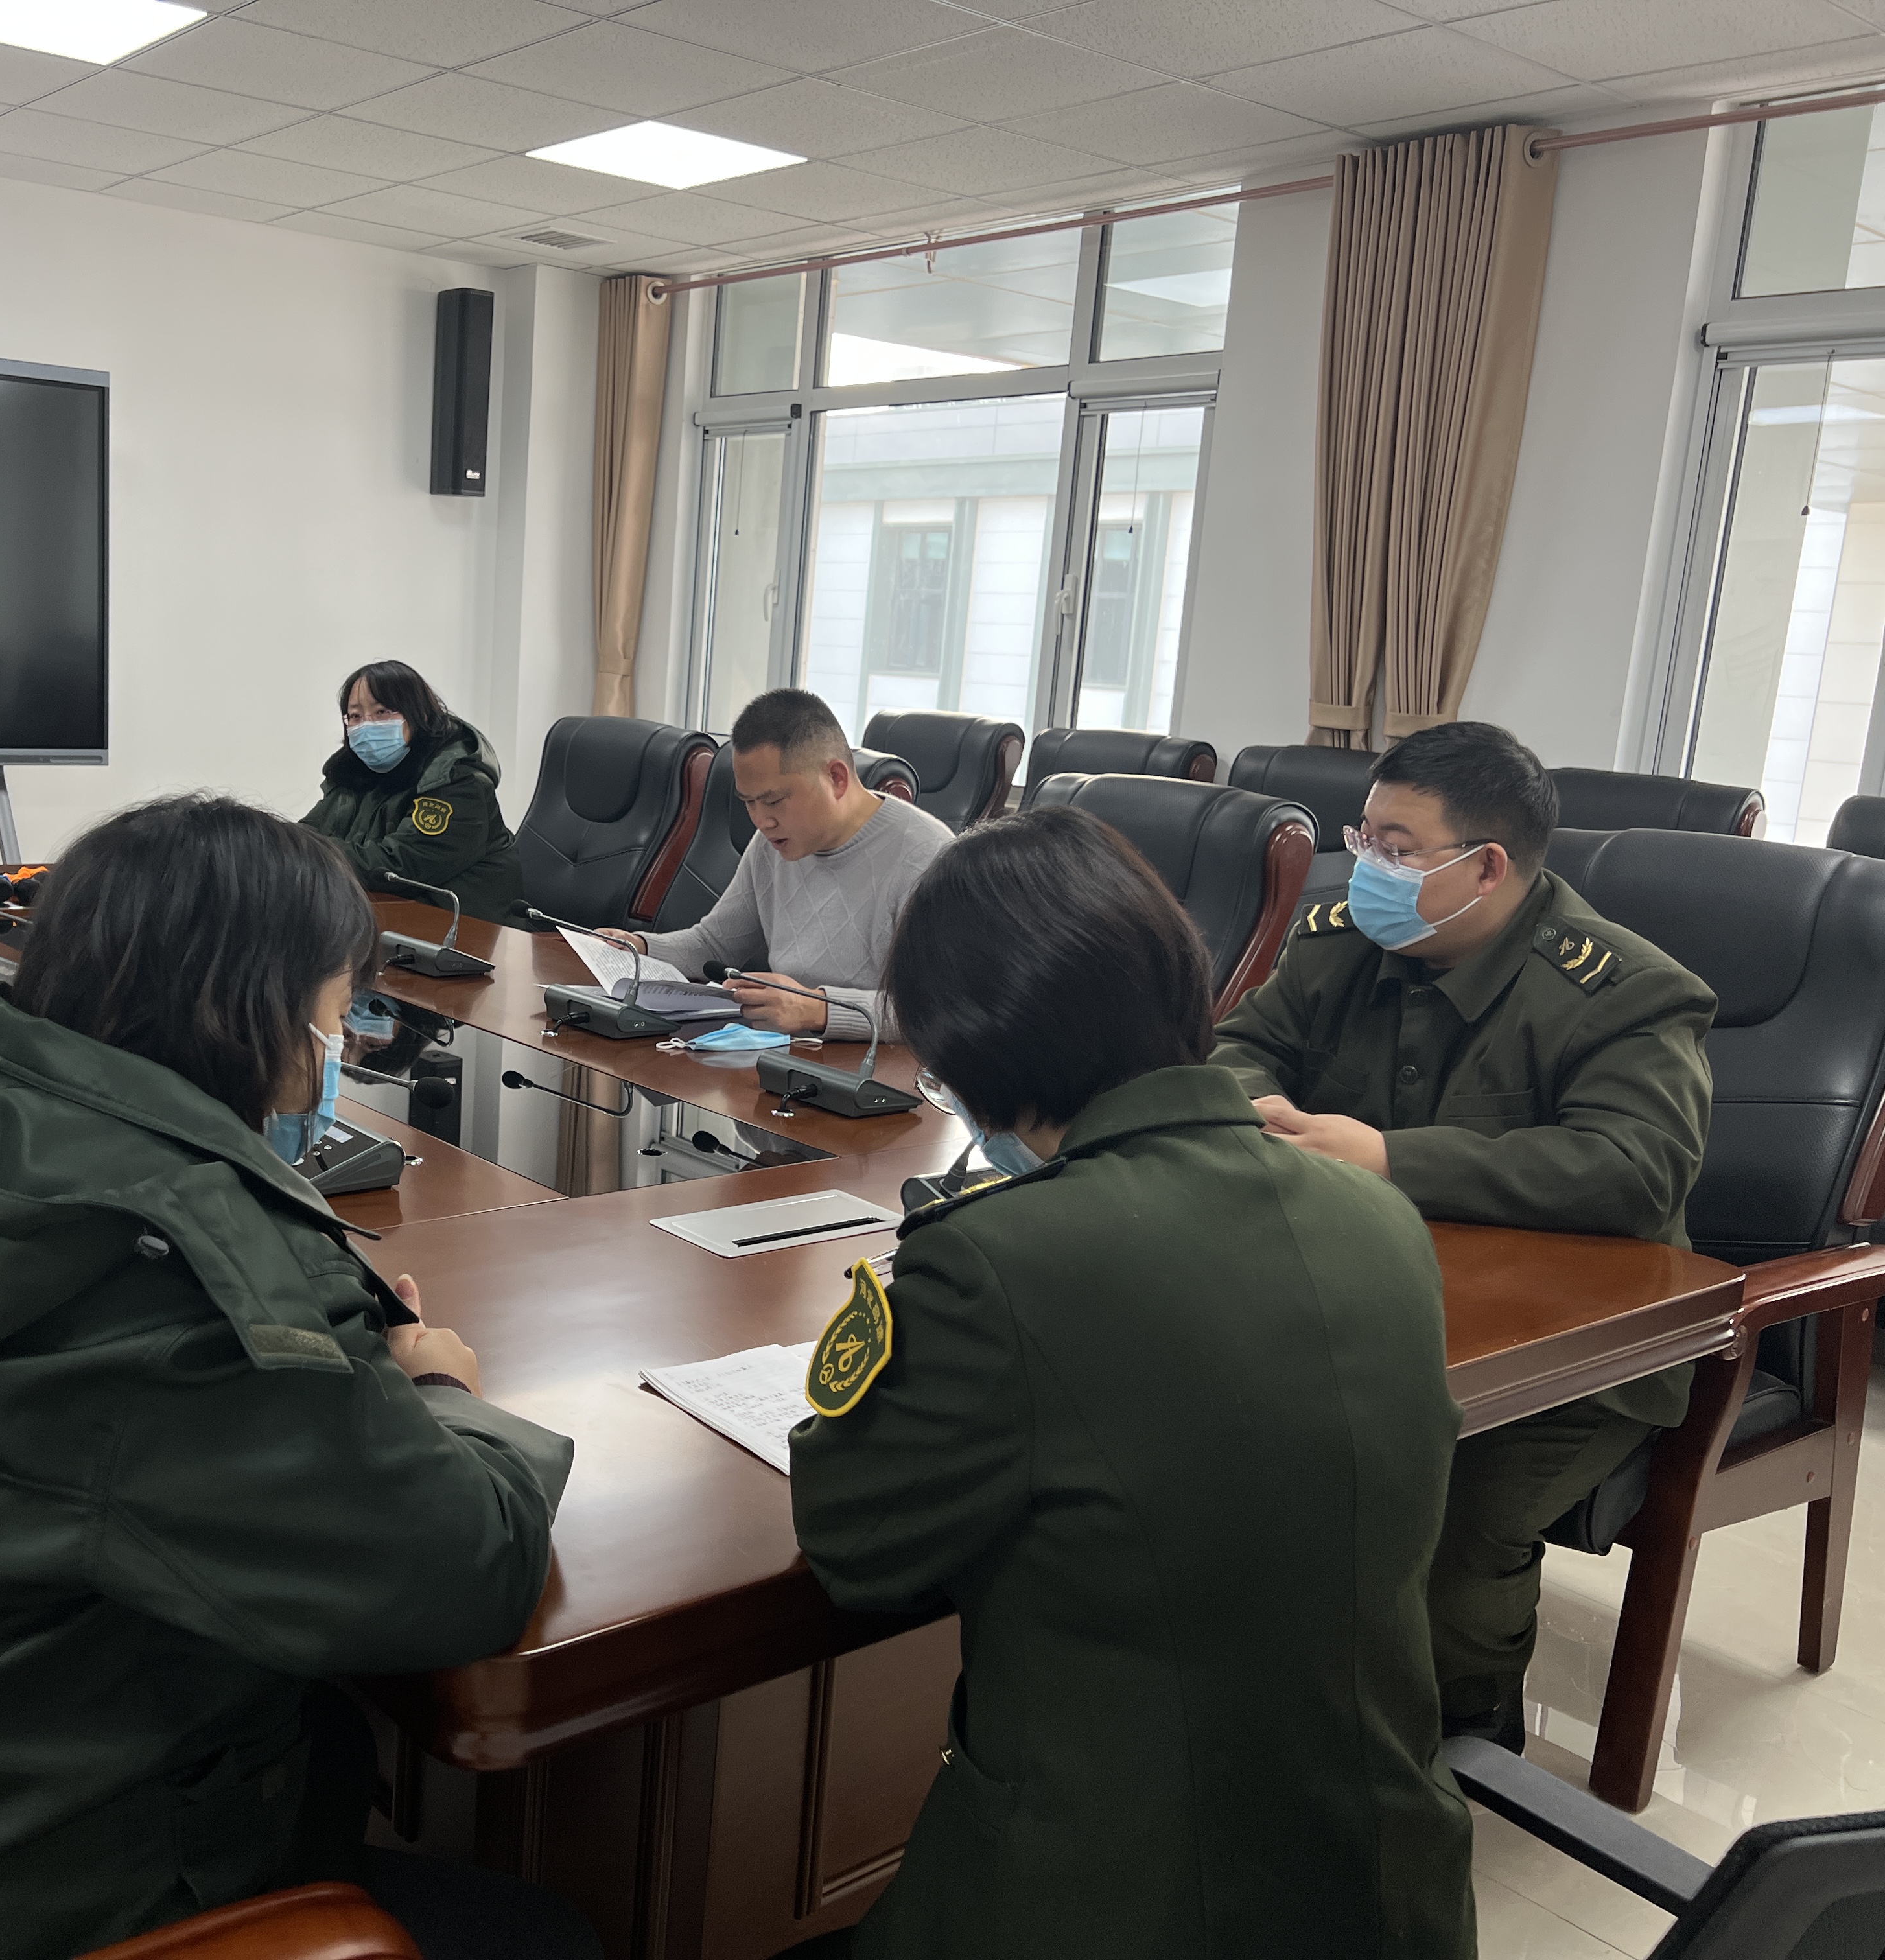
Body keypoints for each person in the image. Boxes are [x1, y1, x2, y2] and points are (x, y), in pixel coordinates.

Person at [0, 795, 592, 1960]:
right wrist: (441, 1389)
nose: (340, 1047)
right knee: (548, 1934)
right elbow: (472, 1563)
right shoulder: (172, 1287)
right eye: (336, 1011)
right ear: (249, 1010)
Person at [786, 806, 1474, 1959]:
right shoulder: (1380, 1216)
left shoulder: (997, 1258)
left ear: (977, 1056)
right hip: (1385, 1896)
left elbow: (856, 1545)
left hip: (1119, 1902)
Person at [1210, 720, 1715, 1751]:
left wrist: (1391, 1158)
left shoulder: (1623, 991)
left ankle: (1462, 1733)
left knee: (1443, 1513)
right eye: (1365, 836)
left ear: (1487, 866)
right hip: (1359, 1299)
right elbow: (1237, 1047)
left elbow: (1638, 1166)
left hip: (1572, 1346)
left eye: (1398, 849)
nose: (1368, 866)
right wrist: (1259, 1106)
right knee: (1207, 1430)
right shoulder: (1342, 941)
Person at [605, 689, 950, 1037]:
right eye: (749, 802)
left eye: (773, 801)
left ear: (837, 778)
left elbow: (939, 1007)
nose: (761, 820)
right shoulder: (774, 842)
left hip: (870, 1062)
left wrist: (817, 1010)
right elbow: (715, 944)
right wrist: (638, 948)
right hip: (779, 1049)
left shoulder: (928, 856)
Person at [301, 659, 522, 922]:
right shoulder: (355, 773)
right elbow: (308, 834)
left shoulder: (458, 781)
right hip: (387, 916)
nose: (367, 726)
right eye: (356, 716)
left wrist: (311, 852)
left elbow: (401, 866)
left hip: (465, 928)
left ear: (419, 715)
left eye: (382, 712)